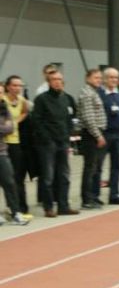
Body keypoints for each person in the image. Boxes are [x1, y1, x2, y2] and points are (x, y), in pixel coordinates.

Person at [32, 70, 79, 217]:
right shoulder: (41, 99)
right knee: (48, 177)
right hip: (47, 144)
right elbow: (37, 121)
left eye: (59, 79)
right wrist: (47, 138)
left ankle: (64, 206)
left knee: (64, 175)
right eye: (54, 79)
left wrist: (69, 134)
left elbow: (73, 118)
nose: (57, 82)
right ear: (48, 82)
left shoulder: (68, 98)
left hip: (63, 142)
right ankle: (48, 207)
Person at [97, 67, 119, 205]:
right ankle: (94, 195)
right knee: (98, 166)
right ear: (105, 79)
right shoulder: (99, 94)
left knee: (117, 165)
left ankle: (114, 194)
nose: (113, 80)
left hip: (118, 134)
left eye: (116, 78)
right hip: (104, 134)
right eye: (111, 77)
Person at [0, 82, 30, 226]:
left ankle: (16, 213)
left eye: (1, 93)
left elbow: (10, 127)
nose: (0, 95)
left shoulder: (3, 107)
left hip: (2, 151)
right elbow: (5, 127)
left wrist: (5, 126)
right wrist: (4, 126)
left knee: (10, 181)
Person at [77, 68, 107, 209]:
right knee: (90, 168)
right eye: (96, 78)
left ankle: (92, 197)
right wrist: (98, 136)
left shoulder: (94, 92)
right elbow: (89, 118)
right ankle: (86, 200)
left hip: (95, 133)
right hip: (91, 135)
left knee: (94, 167)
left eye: (100, 78)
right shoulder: (87, 94)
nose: (99, 80)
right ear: (87, 78)